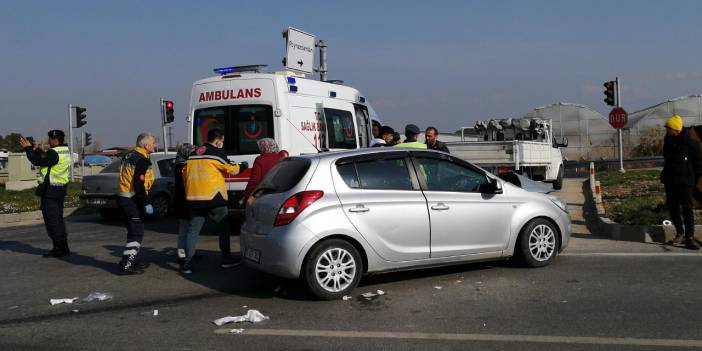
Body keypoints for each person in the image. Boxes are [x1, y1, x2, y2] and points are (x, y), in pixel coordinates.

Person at [182, 128, 247, 274]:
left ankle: (187, 263)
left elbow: (184, 175)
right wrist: (243, 166)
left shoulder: (192, 154)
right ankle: (226, 259)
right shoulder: (216, 154)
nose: (222, 144)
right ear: (217, 141)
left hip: (194, 198)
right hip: (213, 198)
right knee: (223, 228)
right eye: (222, 141)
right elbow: (231, 169)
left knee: (193, 231)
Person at [20, 130, 71, 258]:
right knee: (58, 219)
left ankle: (59, 248)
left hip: (51, 191)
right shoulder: (64, 151)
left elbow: (38, 161)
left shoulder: (54, 153)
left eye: (49, 139)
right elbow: (47, 159)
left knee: (52, 221)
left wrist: (28, 149)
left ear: (55, 139)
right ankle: (63, 247)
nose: (48, 141)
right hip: (60, 189)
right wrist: (37, 149)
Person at [116, 133, 157, 274]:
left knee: (132, 231)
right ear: (146, 146)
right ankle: (126, 265)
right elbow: (139, 185)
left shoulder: (129, 155)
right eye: (153, 143)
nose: (155, 145)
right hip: (132, 199)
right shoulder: (142, 160)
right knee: (136, 232)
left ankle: (130, 260)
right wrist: (146, 203)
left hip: (123, 196)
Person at [661, 115, 701, 250]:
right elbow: (666, 158)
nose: (667, 130)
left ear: (676, 129)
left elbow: (698, 163)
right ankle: (679, 233)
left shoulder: (690, 142)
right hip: (670, 180)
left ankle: (689, 238)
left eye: (669, 128)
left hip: (685, 181)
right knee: (673, 208)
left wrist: (694, 180)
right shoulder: (668, 140)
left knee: (687, 209)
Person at [243, 138, 283, 204]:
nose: (259, 149)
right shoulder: (281, 158)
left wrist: (247, 194)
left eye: (260, 147)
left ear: (264, 147)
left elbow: (255, 180)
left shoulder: (260, 159)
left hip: (263, 196)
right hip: (279, 195)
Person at [174, 143, 195, 264]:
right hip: (183, 201)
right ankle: (181, 254)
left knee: (189, 229)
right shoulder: (182, 166)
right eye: (192, 152)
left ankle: (188, 251)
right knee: (184, 229)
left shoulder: (181, 164)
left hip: (187, 200)